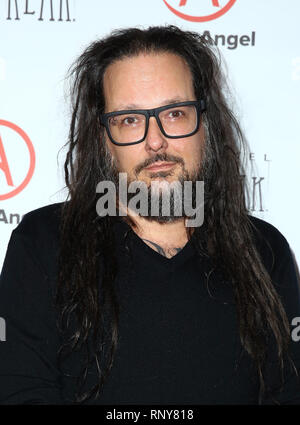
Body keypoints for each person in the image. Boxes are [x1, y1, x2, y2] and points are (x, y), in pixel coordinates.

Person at [0, 25, 300, 405]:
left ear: (205, 123)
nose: (154, 140)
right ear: (102, 139)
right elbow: (20, 392)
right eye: (129, 120)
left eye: (174, 113)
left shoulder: (264, 249)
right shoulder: (43, 242)